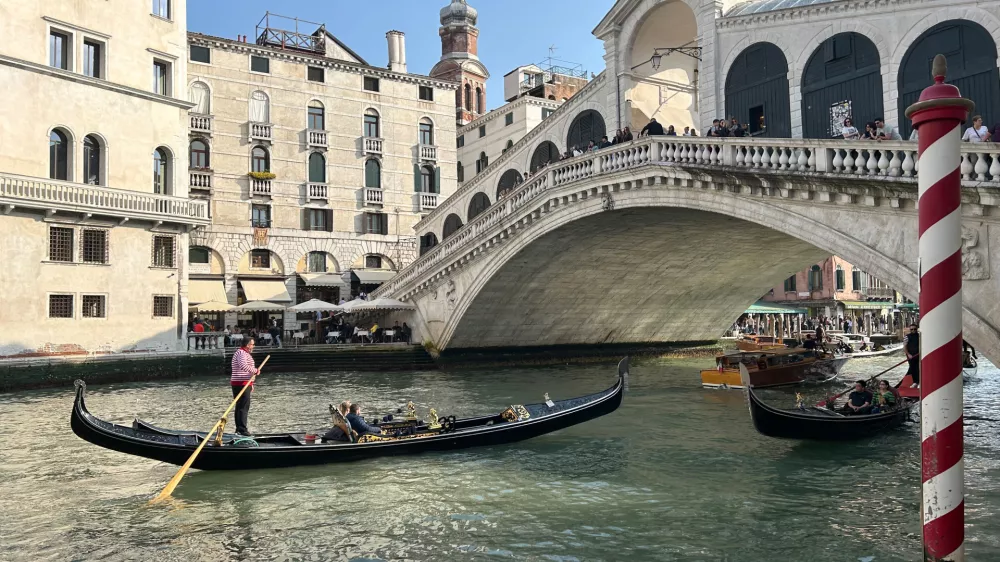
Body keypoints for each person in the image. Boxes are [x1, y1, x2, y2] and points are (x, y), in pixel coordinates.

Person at [230, 338, 260, 436]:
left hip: (244, 383)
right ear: (247, 345)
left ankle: (239, 428)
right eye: (252, 344)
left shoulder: (243, 353)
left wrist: (251, 384)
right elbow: (243, 366)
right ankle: (242, 429)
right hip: (241, 383)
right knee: (243, 406)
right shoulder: (241, 353)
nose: (253, 346)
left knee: (240, 406)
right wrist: (255, 370)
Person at [904, 323, 920, 387]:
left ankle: (919, 382)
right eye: (911, 329)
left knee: (919, 368)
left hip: (918, 355)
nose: (913, 330)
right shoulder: (907, 337)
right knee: (913, 368)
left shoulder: (919, 336)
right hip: (910, 355)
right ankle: (915, 382)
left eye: (914, 329)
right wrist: (908, 354)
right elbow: (905, 347)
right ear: (910, 330)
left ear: (917, 329)